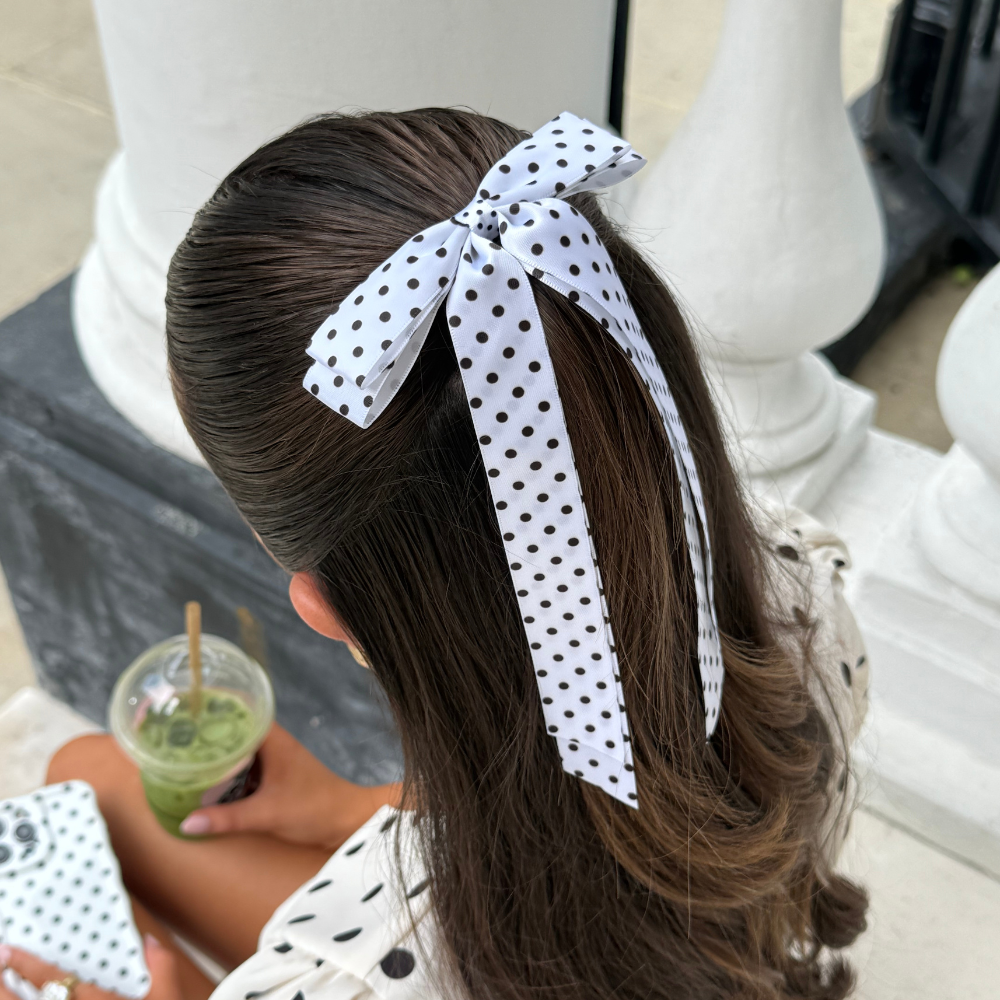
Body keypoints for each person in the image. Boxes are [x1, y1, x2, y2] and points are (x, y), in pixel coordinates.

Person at [0, 109, 870, 1000]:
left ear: (324, 609)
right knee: (88, 774)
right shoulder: (805, 587)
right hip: (637, 927)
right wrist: (347, 808)